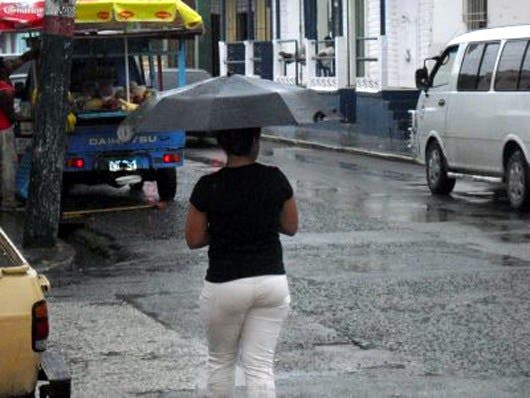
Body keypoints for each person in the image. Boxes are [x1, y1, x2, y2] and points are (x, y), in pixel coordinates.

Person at [185, 128, 298, 397]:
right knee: (260, 366)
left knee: (221, 360)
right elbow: (291, 226)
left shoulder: (208, 186)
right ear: (254, 143)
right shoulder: (274, 178)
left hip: (225, 283)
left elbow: (194, 238)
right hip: (271, 282)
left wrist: (225, 229)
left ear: (223, 144)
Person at [0, 49, 37, 208]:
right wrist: (15, 117)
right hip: (3, 128)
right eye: (7, 63)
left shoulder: (5, 80)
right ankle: (8, 200)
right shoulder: (3, 86)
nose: (11, 65)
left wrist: (32, 53)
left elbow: (20, 61)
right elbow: (7, 100)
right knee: (9, 163)